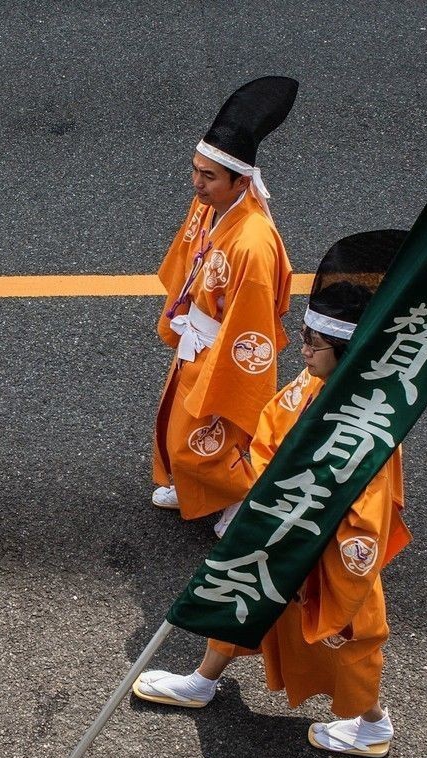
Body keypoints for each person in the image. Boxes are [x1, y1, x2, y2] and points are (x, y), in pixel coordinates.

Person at [134, 231, 412, 757]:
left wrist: (311, 530)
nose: (302, 348)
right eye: (304, 335)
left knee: (345, 634)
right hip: (286, 528)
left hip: (323, 547)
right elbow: (267, 440)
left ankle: (373, 721)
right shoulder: (307, 386)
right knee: (241, 592)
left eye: (314, 343)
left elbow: (367, 509)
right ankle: (204, 678)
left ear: (347, 352)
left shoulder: (369, 425)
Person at [152, 77, 296, 537]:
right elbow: (190, 257)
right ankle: (194, 487)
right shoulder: (211, 206)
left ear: (241, 180)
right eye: (195, 170)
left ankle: (242, 496)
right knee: (177, 422)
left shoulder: (254, 243)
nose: (197, 183)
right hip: (199, 332)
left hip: (225, 347)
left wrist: (224, 369)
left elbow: (252, 325)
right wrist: (181, 308)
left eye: (209, 176)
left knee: (211, 435)